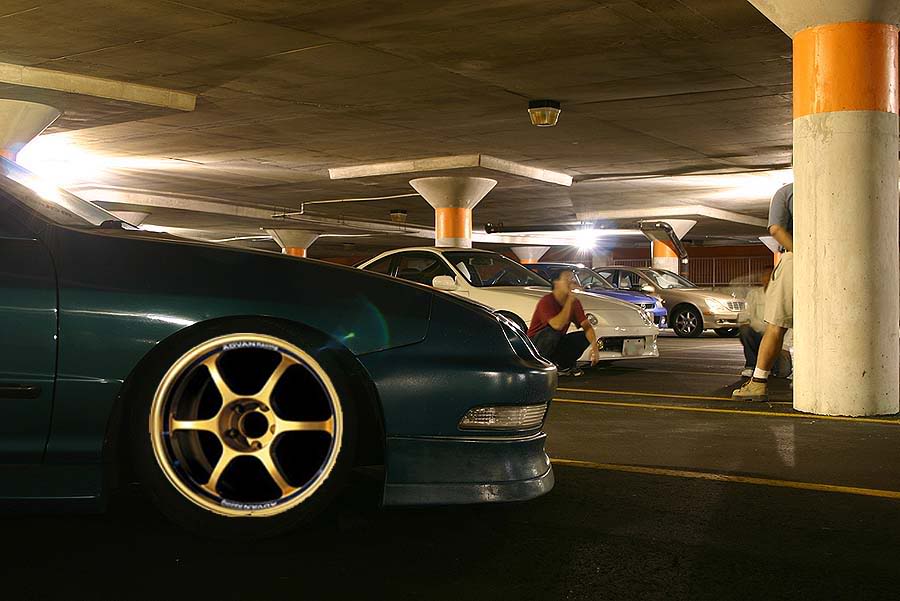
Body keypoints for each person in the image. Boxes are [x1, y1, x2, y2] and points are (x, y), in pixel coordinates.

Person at [733, 183, 793, 401]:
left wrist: (800, 252)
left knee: (776, 326)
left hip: (795, 259)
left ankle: (758, 382)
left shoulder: (787, 192)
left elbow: (775, 229)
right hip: (832, 257)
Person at [528, 269, 599, 376]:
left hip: (556, 340)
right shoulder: (547, 300)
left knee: (583, 336)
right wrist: (569, 301)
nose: (571, 283)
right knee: (552, 332)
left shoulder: (574, 302)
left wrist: (594, 349)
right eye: (567, 280)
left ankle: (563, 365)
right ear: (556, 283)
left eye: (572, 280)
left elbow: (586, 325)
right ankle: (540, 365)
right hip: (536, 345)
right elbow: (556, 325)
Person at [738, 268, 792, 378]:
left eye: (770, 276)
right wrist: (744, 322)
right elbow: (746, 314)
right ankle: (751, 365)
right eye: (765, 276)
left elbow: (788, 322)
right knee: (745, 330)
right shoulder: (754, 294)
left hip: (778, 339)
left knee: (783, 372)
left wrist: (785, 347)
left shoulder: (783, 296)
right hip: (759, 334)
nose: (767, 279)